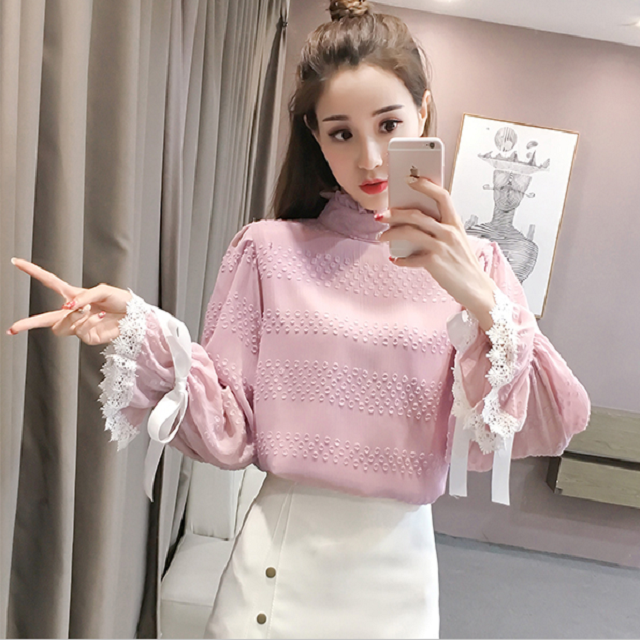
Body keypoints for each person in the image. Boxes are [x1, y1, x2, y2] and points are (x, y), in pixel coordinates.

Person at [7, 1, 591, 638]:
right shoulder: (269, 250)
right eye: (342, 133)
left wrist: (476, 293)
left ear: (423, 113)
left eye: (389, 124)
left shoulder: (482, 266)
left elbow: (553, 419)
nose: (371, 158)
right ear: (314, 134)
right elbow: (230, 422)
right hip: (276, 574)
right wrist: (141, 330)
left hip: (397, 581)